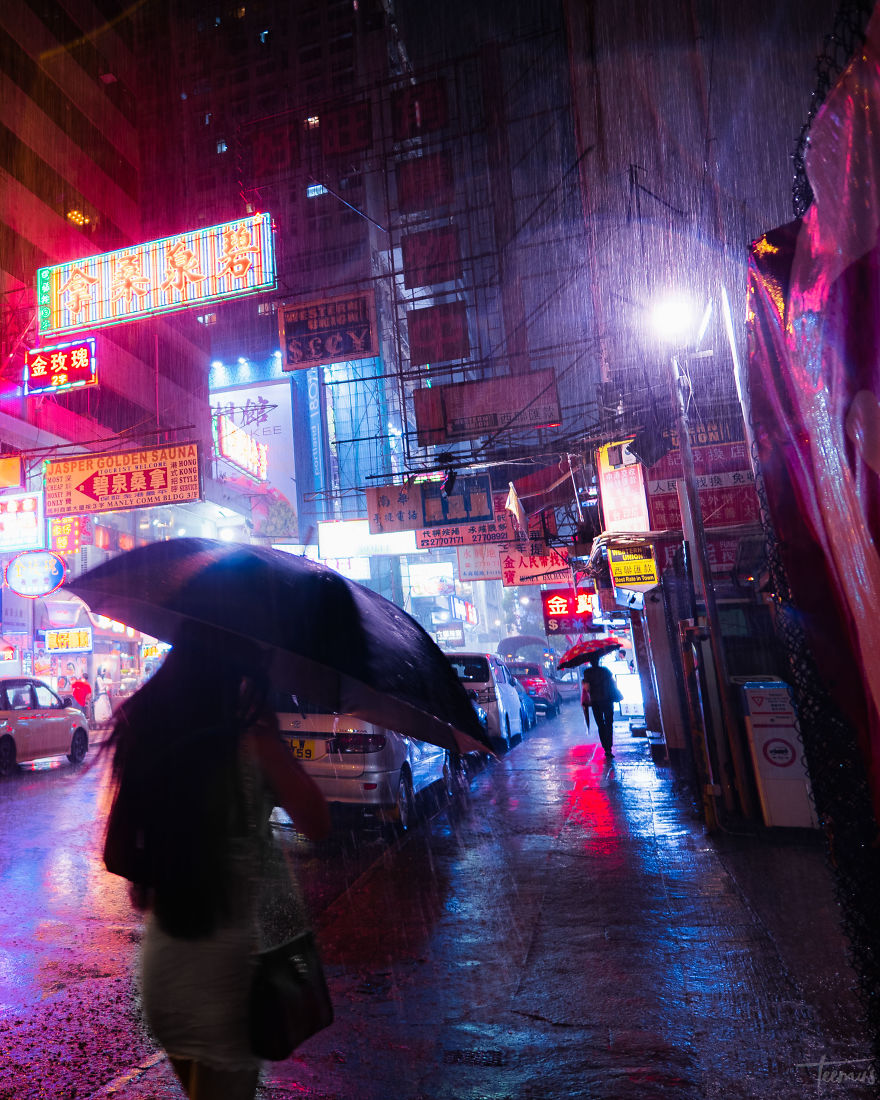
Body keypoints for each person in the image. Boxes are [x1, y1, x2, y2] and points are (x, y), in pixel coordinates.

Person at [103, 621, 330, 1100]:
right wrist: (273, 740)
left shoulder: (157, 734)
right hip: (232, 973)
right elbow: (318, 823)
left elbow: (125, 856)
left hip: (166, 966)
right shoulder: (252, 739)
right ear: (236, 668)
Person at [581, 653, 621, 757]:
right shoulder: (605, 670)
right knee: (609, 723)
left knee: (600, 724)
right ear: (598, 660)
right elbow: (613, 683)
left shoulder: (587, 672)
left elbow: (587, 689)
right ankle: (609, 747)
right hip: (607, 700)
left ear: (590, 662)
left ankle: (605, 747)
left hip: (595, 701)